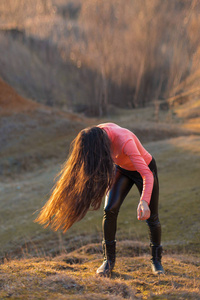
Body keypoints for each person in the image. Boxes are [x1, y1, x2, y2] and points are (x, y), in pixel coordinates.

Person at [35, 122, 164, 277]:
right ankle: (108, 261)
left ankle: (156, 261)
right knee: (109, 210)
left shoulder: (125, 141)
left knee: (152, 217)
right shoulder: (94, 135)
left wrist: (143, 201)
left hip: (144, 170)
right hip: (122, 170)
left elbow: (146, 174)